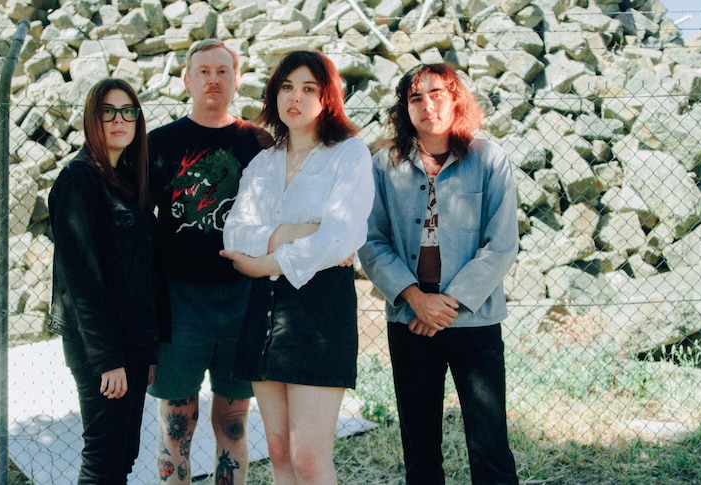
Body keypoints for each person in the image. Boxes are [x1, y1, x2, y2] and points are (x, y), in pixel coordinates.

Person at [357, 63, 520, 485]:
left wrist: (448, 305)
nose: (427, 105)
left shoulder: (489, 159)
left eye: (437, 94)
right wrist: (416, 298)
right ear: (404, 108)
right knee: (420, 446)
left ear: (456, 100)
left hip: (473, 319)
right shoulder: (383, 165)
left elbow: (500, 244)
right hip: (409, 319)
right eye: (415, 98)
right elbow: (372, 240)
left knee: (490, 445)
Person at [219, 50, 374, 485]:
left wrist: (265, 261)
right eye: (287, 86)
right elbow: (234, 235)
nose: (295, 97)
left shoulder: (349, 155)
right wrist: (294, 232)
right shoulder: (263, 162)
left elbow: (341, 237)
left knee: (308, 457)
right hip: (264, 312)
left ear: (327, 97)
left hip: (320, 311)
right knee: (279, 451)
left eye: (309, 88)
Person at [147, 39, 273, 485]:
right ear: (187, 80)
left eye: (223, 71)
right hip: (179, 303)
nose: (213, 79)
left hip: (241, 297)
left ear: (237, 81)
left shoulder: (258, 143)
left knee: (233, 424)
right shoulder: (159, 144)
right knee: (177, 425)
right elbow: (139, 226)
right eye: (204, 71)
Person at [48, 78, 159, 484]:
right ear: (92, 119)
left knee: (124, 454)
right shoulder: (80, 180)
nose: (119, 120)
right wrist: (107, 358)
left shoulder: (127, 180)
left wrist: (144, 352)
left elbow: (138, 274)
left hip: (130, 342)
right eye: (108, 111)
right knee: (104, 456)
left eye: (129, 111)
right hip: (100, 345)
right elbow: (82, 283)